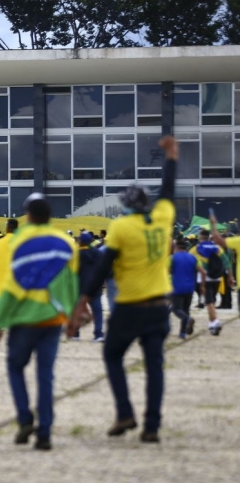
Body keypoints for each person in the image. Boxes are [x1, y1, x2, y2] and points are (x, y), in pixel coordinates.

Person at [72, 135, 179, 444]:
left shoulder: (121, 228)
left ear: (125, 206)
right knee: (155, 367)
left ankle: (124, 412)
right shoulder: (163, 219)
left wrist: (84, 299)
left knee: (113, 356)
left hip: (131, 306)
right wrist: (172, 157)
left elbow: (103, 267)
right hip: (160, 306)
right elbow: (169, 190)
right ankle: (152, 426)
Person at [0, 194, 78, 451]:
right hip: (52, 319)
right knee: (45, 374)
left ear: (30, 216)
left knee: (16, 367)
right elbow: (70, 284)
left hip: (23, 319)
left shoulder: (20, 241)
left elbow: (12, 285)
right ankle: (45, 432)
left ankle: (25, 419)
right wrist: (72, 317)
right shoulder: (66, 242)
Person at [189, 229, 229, 336]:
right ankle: (212, 324)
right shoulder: (217, 248)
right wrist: (230, 277)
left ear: (200, 237)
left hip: (204, 278)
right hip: (217, 277)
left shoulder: (196, 248)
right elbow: (226, 262)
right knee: (211, 301)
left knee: (209, 301)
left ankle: (215, 322)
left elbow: (189, 260)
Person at [171, 238, 205, 339]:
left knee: (176, 309)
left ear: (176, 247)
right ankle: (182, 333)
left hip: (177, 287)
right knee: (186, 309)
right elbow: (203, 272)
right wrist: (202, 286)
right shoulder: (193, 258)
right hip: (190, 288)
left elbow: (166, 271)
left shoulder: (172, 258)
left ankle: (188, 320)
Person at [76, 232, 104, 342]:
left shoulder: (76, 254)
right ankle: (98, 333)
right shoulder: (99, 254)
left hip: (80, 286)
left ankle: (76, 333)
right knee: (97, 311)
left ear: (80, 241)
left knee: (78, 310)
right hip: (95, 286)